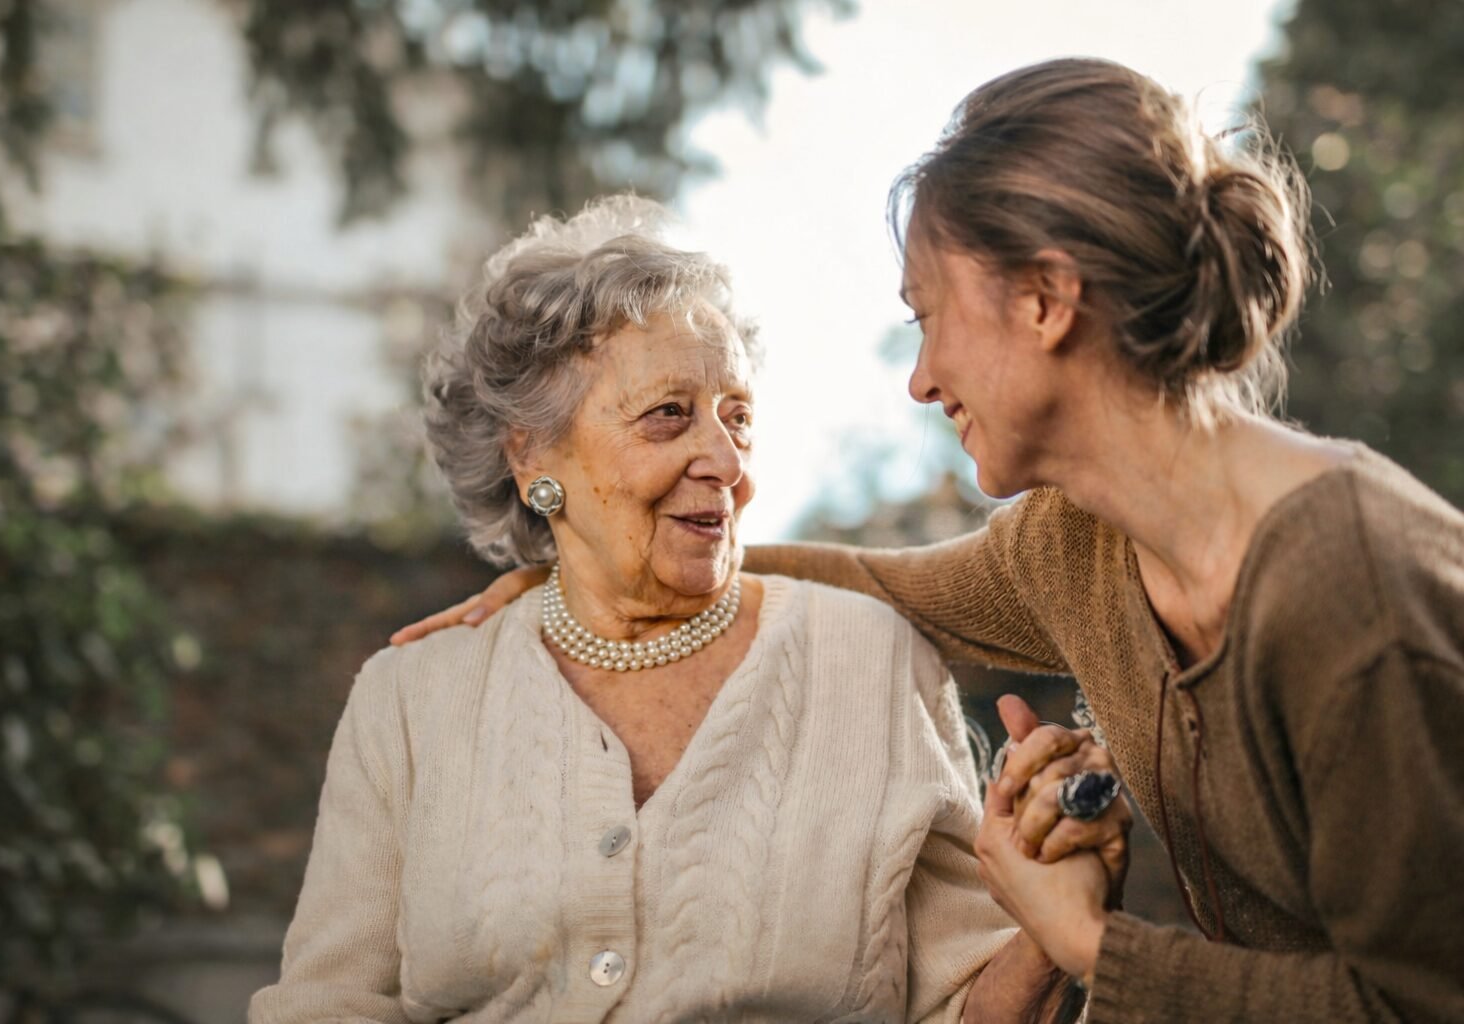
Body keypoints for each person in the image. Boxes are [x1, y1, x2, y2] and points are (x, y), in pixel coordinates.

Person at [391, 60, 1464, 1023]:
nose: (920, 380)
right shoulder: (1078, 547)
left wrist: (1087, 941)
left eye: (928, 317)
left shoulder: (1347, 588)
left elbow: (1419, 1002)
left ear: (1045, 301)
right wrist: (583, 561)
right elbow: (871, 583)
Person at [251, 196, 1124, 1023]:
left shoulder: (872, 660)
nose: (724, 459)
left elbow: (963, 1007)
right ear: (532, 458)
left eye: (737, 418)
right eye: (669, 415)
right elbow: (330, 1003)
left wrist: (1053, 924)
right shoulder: (411, 701)